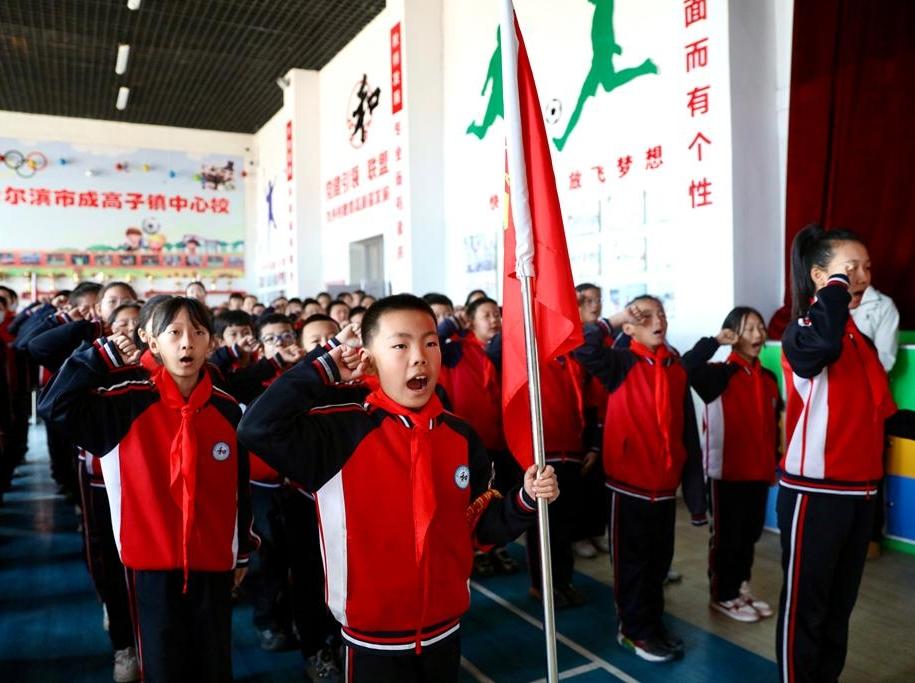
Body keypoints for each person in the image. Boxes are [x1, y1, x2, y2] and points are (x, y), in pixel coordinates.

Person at [238, 294, 558, 683]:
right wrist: (323, 366)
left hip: (445, 629)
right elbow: (257, 427)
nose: (419, 357)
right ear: (369, 357)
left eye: (430, 343)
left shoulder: (461, 437)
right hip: (372, 640)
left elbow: (479, 527)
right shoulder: (340, 432)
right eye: (400, 345)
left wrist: (525, 499)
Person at [39, 297, 254, 682]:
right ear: (152, 343)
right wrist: (97, 358)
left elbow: (239, 488)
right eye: (174, 333)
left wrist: (241, 553)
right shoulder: (126, 401)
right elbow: (55, 406)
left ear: (211, 343)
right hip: (149, 564)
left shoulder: (227, 408)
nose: (186, 343)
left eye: (198, 332)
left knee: (214, 663)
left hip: (213, 559)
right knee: (162, 665)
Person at [776, 225, 907, 682]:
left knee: (837, 611)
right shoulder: (804, 333)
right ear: (819, 276)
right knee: (806, 611)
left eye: (866, 268)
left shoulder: (860, 341)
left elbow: (883, 414)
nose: (862, 277)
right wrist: (835, 288)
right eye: (850, 268)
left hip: (860, 493)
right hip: (815, 494)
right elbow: (822, 345)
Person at [575, 295, 705, 663]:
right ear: (629, 328)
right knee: (632, 566)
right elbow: (582, 346)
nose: (656, 320)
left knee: (658, 564)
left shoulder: (676, 368)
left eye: (660, 313)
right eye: (644, 316)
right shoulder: (620, 363)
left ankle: (653, 625)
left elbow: (687, 432)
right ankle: (633, 632)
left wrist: (694, 494)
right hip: (628, 486)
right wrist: (615, 318)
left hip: (663, 487)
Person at [683, 307, 780, 623]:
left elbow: (773, 427)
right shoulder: (718, 374)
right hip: (727, 474)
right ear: (733, 335)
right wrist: (714, 341)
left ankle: (740, 588)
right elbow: (686, 367)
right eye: (748, 329)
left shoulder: (768, 378)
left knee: (749, 535)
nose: (757, 334)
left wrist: (773, 464)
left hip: (758, 473)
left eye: (760, 327)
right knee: (728, 538)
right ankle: (722, 595)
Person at [438, 296, 521, 576]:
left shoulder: (502, 351)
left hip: (501, 438)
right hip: (468, 440)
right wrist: (452, 322)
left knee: (498, 495)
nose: (495, 320)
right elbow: (432, 341)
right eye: (487, 315)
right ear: (470, 321)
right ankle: (472, 550)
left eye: (497, 314)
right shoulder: (455, 350)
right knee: (470, 498)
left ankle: (495, 546)